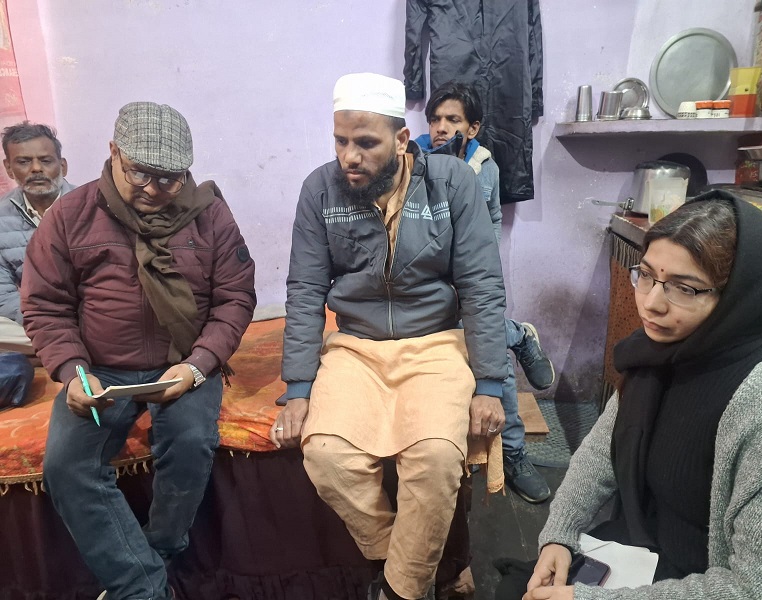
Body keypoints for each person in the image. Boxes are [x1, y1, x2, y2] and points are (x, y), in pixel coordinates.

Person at [272, 73, 508, 600]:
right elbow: (305, 290)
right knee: (326, 455)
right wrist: (298, 388)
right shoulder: (320, 189)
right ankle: (401, 559)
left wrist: (490, 383)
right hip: (356, 347)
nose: (349, 157)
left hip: (435, 344)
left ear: (402, 140)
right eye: (340, 141)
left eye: (365, 143)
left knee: (436, 459)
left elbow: (481, 285)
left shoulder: (452, 183)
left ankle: (399, 591)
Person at [496, 191, 762, 600]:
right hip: (638, 555)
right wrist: (559, 536)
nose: (651, 303)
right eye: (647, 275)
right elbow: (601, 453)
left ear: (740, 298)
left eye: (684, 288)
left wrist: (588, 598)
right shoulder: (656, 353)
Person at [21, 102, 256, 600]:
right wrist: (72, 372)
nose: (153, 189)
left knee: (190, 444)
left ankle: (159, 552)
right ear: (113, 153)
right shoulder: (71, 215)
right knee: (67, 467)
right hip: (99, 370)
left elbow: (235, 299)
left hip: (184, 362)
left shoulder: (209, 214)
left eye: (169, 179)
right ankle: (142, 586)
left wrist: (197, 366)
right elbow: (45, 306)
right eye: (140, 173)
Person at [415, 81, 553, 504]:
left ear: (472, 128)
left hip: (471, 274)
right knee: (481, 346)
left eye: (452, 120)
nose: (440, 127)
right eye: (435, 119)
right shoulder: (413, 160)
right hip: (427, 278)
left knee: (494, 364)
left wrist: (478, 265)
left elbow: (492, 220)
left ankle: (512, 454)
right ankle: (519, 335)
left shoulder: (485, 167)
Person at [0, 121, 74, 356]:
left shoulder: (93, 207)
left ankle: (52, 351)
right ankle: (60, 348)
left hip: (90, 315)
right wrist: (41, 323)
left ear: (62, 166)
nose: (36, 169)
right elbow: (3, 293)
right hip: (34, 318)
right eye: (23, 162)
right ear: (9, 168)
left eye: (45, 160)